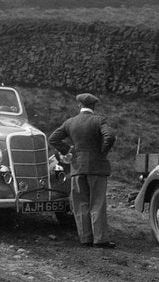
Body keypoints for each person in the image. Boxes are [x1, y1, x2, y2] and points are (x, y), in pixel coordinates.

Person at [48, 93, 117, 248]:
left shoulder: (70, 122)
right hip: (97, 168)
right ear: (94, 107)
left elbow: (53, 139)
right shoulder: (99, 120)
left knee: (81, 203)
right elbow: (110, 136)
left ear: (80, 106)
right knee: (97, 203)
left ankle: (85, 238)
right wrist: (102, 152)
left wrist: (69, 150)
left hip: (77, 166)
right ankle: (100, 239)